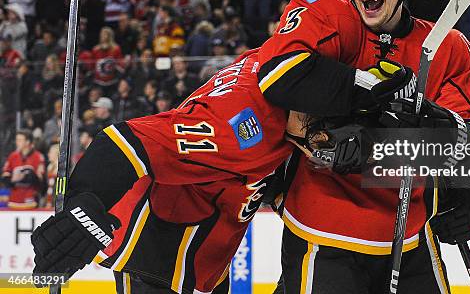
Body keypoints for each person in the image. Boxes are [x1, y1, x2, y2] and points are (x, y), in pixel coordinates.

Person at [258, 0, 470, 293]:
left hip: (413, 235)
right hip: (323, 231)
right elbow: (276, 95)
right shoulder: (330, 29)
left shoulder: (446, 47)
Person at [31, 51, 321, 294]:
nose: (321, 135)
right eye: (320, 121)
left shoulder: (273, 67)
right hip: (158, 253)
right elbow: (126, 142)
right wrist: (86, 205)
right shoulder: (242, 124)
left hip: (206, 259)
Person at [1, 129, 45, 209]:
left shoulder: (38, 157)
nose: (17, 142)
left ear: (27, 142)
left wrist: (27, 176)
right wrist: (13, 179)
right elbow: (5, 176)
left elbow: (40, 181)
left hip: (30, 201)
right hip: (14, 200)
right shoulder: (13, 156)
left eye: (20, 140)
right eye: (17, 140)